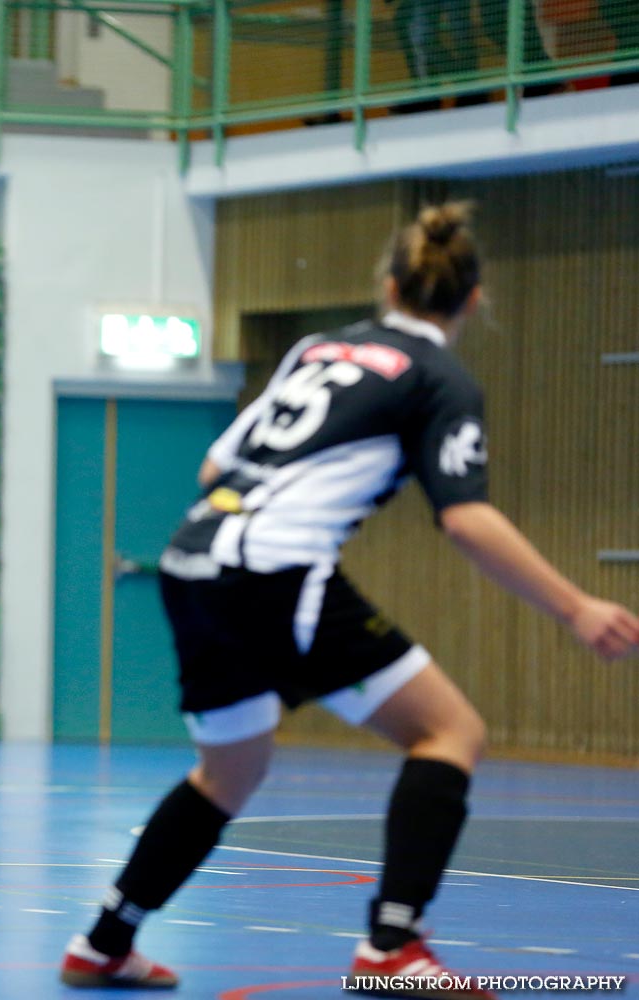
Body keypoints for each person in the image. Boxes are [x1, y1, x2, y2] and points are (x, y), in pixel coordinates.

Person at [58, 204, 639, 995]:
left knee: (230, 772)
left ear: (389, 284)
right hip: (274, 571)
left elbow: (211, 471)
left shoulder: (316, 348)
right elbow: (465, 517)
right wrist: (576, 607)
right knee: (449, 731)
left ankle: (103, 941)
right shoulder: (442, 380)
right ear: (472, 302)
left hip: (193, 560)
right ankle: (393, 947)